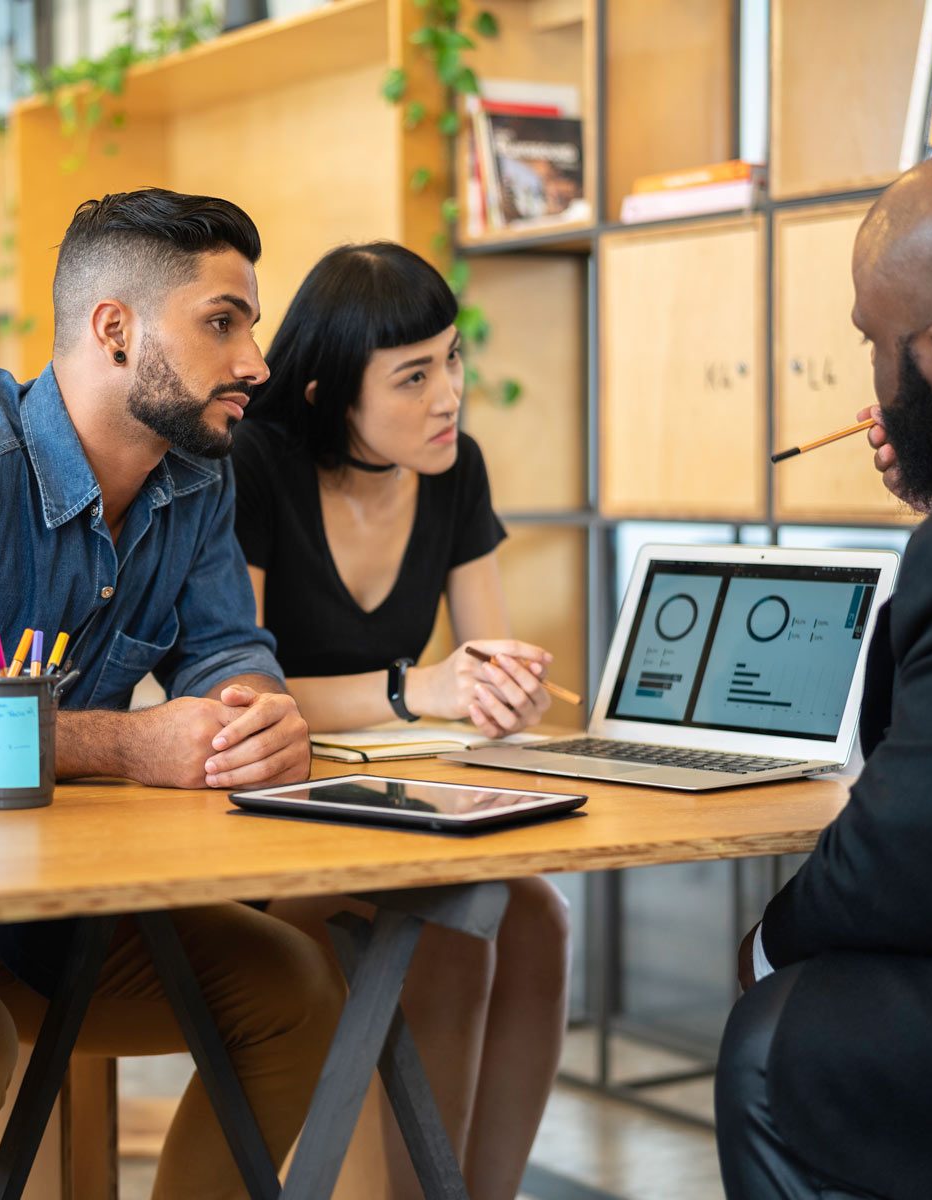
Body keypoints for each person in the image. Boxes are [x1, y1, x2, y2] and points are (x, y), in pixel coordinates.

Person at [0, 188, 345, 1199]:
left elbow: (227, 658)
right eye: (222, 322)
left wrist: (256, 719)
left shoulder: (198, 482)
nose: (257, 361)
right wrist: (131, 747)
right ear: (115, 330)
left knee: (292, 992)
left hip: (36, 906)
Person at [714, 144, 932, 1200]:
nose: (873, 375)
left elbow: (920, 852)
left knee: (781, 1036)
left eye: (874, 344)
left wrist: (767, 946)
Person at [229, 241, 571, 1200]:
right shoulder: (258, 466)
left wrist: (503, 692)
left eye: (453, 359)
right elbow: (241, 694)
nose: (448, 395)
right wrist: (414, 689)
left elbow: (482, 663)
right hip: (267, 815)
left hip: (399, 801)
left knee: (539, 915)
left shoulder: (457, 471)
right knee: (455, 924)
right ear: (333, 393)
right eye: (413, 376)